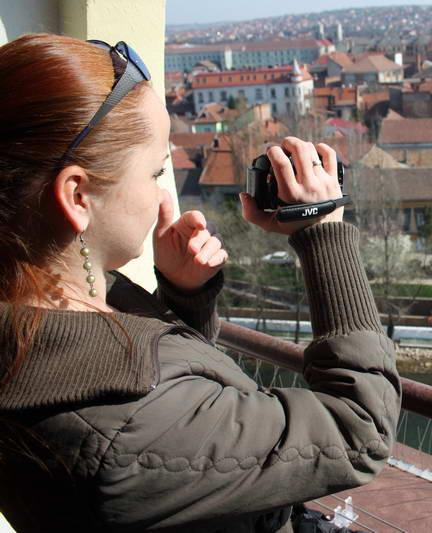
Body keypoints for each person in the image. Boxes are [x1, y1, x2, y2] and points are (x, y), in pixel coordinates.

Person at [0, 34, 401, 532]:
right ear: (78, 196)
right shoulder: (127, 425)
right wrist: (324, 233)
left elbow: (175, 410)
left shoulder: (45, 305)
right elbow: (358, 431)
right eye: (155, 172)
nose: (161, 195)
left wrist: (182, 297)